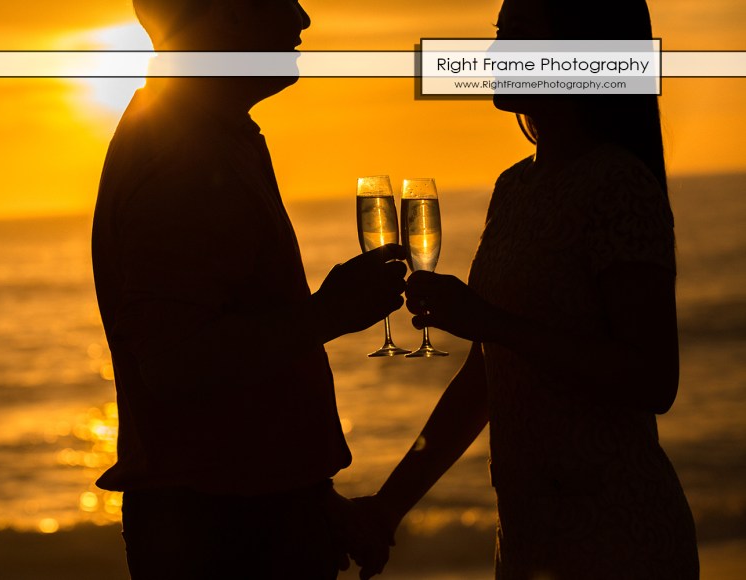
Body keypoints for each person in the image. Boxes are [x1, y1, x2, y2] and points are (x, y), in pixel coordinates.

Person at [350, 0, 700, 578]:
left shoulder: (618, 185)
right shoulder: (515, 186)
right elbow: (484, 381)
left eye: (518, 35)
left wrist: (489, 322)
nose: (493, 54)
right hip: (529, 545)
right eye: (498, 34)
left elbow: (653, 378)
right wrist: (389, 507)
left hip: (619, 541)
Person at [91, 1, 406, 578]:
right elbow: (174, 361)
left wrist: (311, 502)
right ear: (226, 14)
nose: (302, 18)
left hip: (242, 514)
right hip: (223, 532)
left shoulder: (209, 134)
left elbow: (221, 396)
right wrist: (328, 314)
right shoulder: (180, 152)